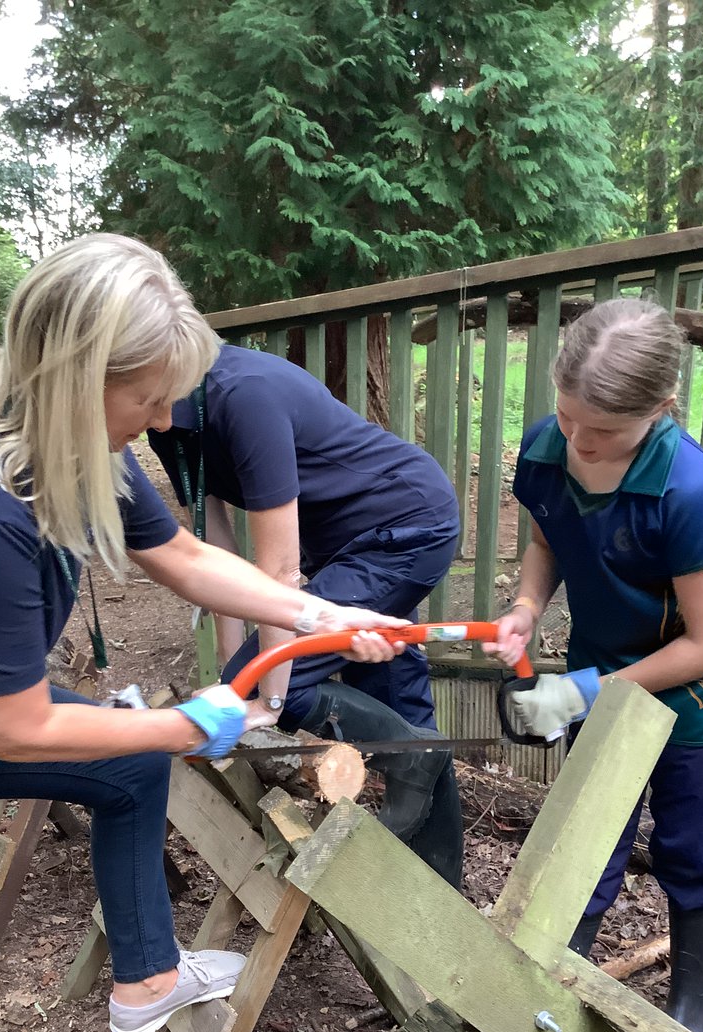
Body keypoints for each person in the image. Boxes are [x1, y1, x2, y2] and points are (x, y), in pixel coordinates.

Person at [0, 233, 410, 1032]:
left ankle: (147, 979)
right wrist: (186, 724)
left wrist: (323, 615)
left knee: (124, 769)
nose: (161, 419)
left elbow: (186, 556)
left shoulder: (68, 448)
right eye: (146, 398)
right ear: (74, 375)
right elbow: (18, 729)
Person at [485, 298, 703, 1032]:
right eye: (569, 417)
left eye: (603, 430)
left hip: (702, 703)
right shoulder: (546, 449)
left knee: (690, 851)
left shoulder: (689, 494)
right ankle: (553, 978)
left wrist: (581, 692)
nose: (580, 441)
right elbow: (547, 539)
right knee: (593, 829)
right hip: (605, 673)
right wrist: (527, 606)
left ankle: (693, 995)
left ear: (661, 409)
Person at [145, 341, 464, 887]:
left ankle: (419, 781)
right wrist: (228, 664)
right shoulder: (162, 416)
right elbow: (210, 547)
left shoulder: (244, 396)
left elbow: (278, 570)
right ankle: (434, 887)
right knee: (397, 702)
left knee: (277, 685)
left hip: (403, 527)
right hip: (341, 547)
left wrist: (264, 695)